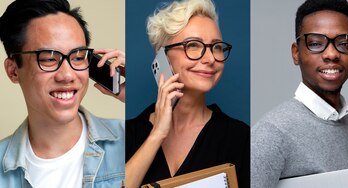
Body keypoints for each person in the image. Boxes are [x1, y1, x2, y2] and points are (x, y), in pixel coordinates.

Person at [0, 0, 126, 187]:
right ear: (13, 70)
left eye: (77, 57)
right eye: (49, 59)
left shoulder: (130, 139)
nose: (67, 75)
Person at [124, 0, 249, 187]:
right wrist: (157, 134)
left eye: (216, 47)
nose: (209, 59)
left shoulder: (241, 138)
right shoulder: (127, 135)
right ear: (162, 57)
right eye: (193, 45)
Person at [250, 0, 348, 187]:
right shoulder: (270, 134)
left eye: (343, 43)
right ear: (296, 53)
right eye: (316, 43)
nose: (331, 54)